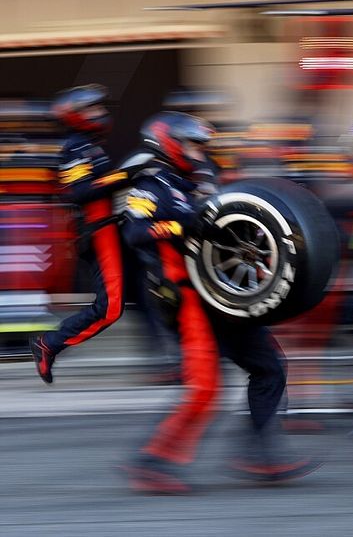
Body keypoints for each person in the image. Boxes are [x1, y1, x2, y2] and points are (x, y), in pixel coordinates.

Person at [119, 111, 318, 493]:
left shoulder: (201, 181)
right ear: (170, 143)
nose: (198, 151)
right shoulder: (150, 185)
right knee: (206, 389)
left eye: (200, 145)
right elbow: (135, 232)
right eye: (192, 144)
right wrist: (180, 225)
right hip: (185, 299)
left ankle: (259, 454)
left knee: (269, 368)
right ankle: (151, 462)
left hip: (224, 296)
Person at [31, 85, 127, 383]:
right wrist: (125, 175)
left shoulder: (90, 145)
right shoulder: (74, 147)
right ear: (76, 116)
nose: (101, 113)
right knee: (110, 308)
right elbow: (80, 191)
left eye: (100, 108)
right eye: (93, 109)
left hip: (115, 228)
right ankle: (50, 343)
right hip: (99, 231)